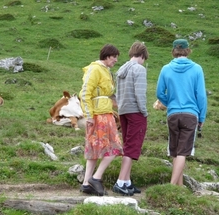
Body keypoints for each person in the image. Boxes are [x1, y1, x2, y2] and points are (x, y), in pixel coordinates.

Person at [156, 39, 207, 186]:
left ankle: (179, 187)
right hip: (191, 114)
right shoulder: (197, 68)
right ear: (187, 50)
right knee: (183, 152)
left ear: (173, 51)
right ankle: (172, 186)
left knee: (175, 151)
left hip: (172, 114)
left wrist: (170, 102)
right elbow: (201, 96)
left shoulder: (166, 69)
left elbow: (160, 93)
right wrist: (201, 116)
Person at [79, 44, 123, 196]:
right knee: (114, 147)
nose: (116, 60)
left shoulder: (106, 71)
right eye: (114, 57)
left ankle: (86, 183)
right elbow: (85, 92)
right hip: (98, 115)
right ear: (106, 56)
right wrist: (89, 115)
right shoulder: (96, 69)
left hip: (106, 112)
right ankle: (96, 178)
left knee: (95, 149)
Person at [113, 41, 149, 196]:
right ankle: (120, 182)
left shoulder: (121, 69)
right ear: (142, 55)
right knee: (133, 146)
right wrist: (144, 112)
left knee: (127, 144)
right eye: (144, 58)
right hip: (135, 111)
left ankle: (127, 181)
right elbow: (140, 93)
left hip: (123, 111)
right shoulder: (139, 69)